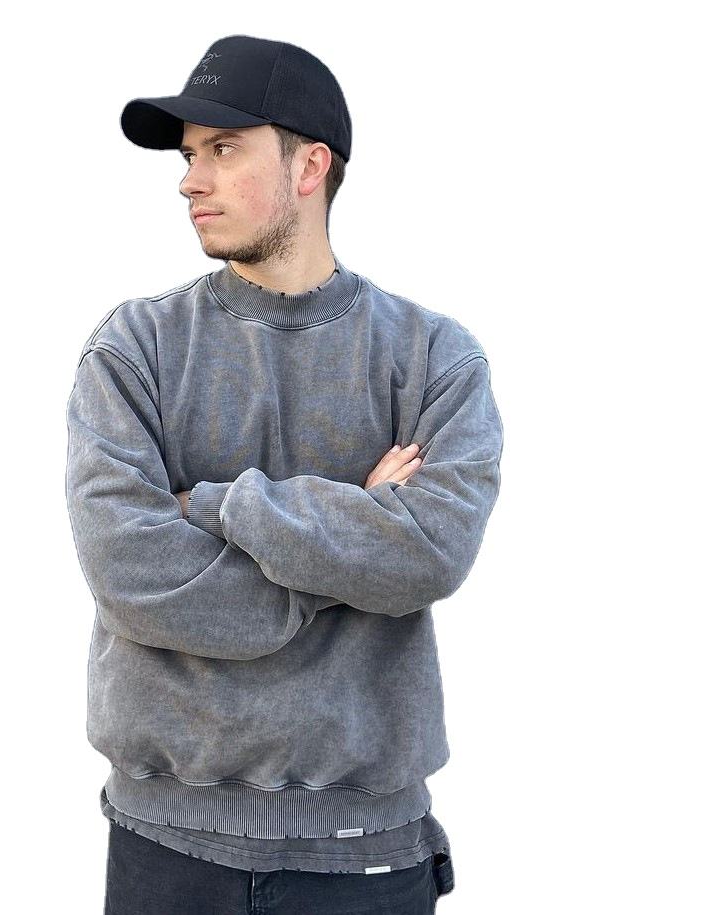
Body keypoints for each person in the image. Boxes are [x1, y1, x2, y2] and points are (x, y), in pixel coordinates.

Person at [65, 33, 504, 914]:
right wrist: (353, 534)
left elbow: (430, 554)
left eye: (223, 150)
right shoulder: (133, 349)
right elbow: (132, 574)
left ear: (310, 165)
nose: (190, 181)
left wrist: (213, 504)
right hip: (165, 846)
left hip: (365, 855)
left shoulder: (433, 358)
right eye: (189, 156)